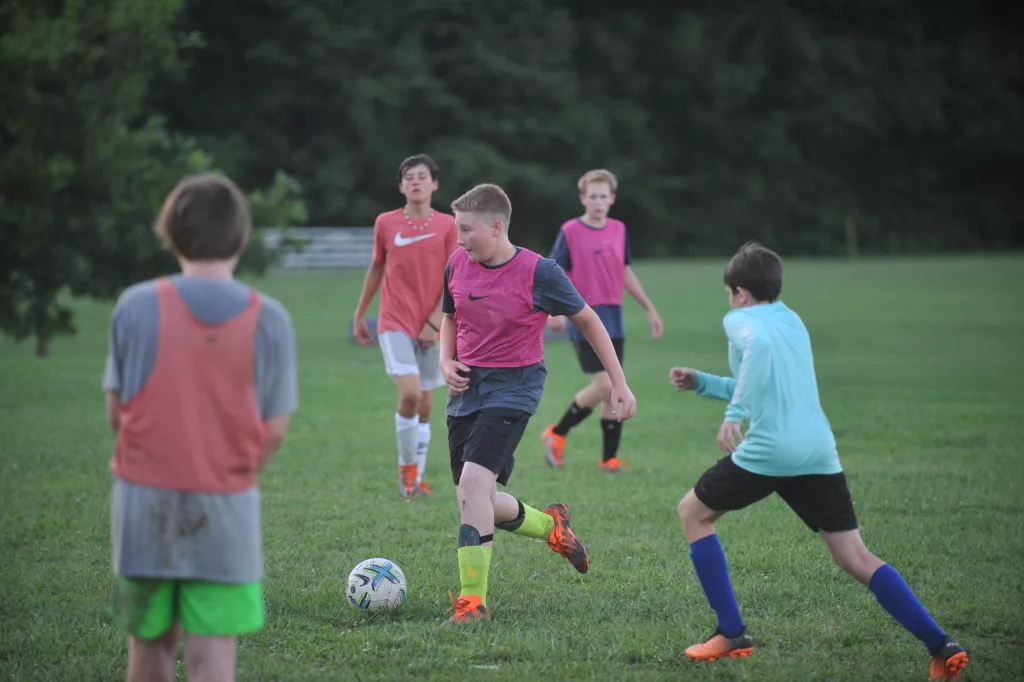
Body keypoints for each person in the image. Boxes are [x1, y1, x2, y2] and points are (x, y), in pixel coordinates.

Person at [669, 242, 968, 680]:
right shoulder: (791, 320)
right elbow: (763, 380)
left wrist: (734, 415)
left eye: (729, 294)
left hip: (770, 450)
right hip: (817, 449)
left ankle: (731, 633)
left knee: (693, 513)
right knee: (853, 555)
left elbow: (757, 352)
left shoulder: (739, 320)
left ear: (739, 293)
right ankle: (941, 645)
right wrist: (703, 383)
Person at [104, 173, 298, 682]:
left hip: (143, 506)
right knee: (212, 656)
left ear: (170, 232)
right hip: (225, 508)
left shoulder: (134, 305)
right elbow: (275, 429)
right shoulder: (271, 319)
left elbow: (115, 413)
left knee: (148, 648)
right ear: (241, 236)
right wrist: (228, 471)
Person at [438, 183, 637, 625]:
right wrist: (445, 362)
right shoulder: (457, 263)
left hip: (515, 388)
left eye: (467, 230)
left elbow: (589, 320)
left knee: (473, 486)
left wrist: (618, 383)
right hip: (466, 391)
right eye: (457, 230)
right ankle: (551, 526)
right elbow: (449, 317)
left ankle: (473, 603)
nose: (460, 239)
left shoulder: (539, 272)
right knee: (477, 497)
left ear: (496, 226)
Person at [541, 169, 662, 472]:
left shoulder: (619, 229)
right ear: (583, 199)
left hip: (614, 317)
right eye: (592, 196)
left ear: (612, 199)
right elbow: (552, 273)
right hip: (583, 316)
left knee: (613, 388)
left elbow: (625, 272)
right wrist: (554, 312)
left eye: (603, 196)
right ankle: (557, 432)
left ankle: (608, 459)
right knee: (606, 385)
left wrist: (649, 308)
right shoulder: (570, 231)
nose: (598, 202)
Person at [353, 154, 459, 497]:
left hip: (433, 324)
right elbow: (376, 267)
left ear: (434, 184)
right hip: (394, 321)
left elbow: (454, 276)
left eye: (422, 176)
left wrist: (434, 322)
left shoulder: (448, 225)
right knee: (410, 395)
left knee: (425, 407)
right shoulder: (385, 223)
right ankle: (406, 470)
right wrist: (360, 313)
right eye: (409, 177)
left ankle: (416, 479)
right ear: (401, 186)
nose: (416, 181)